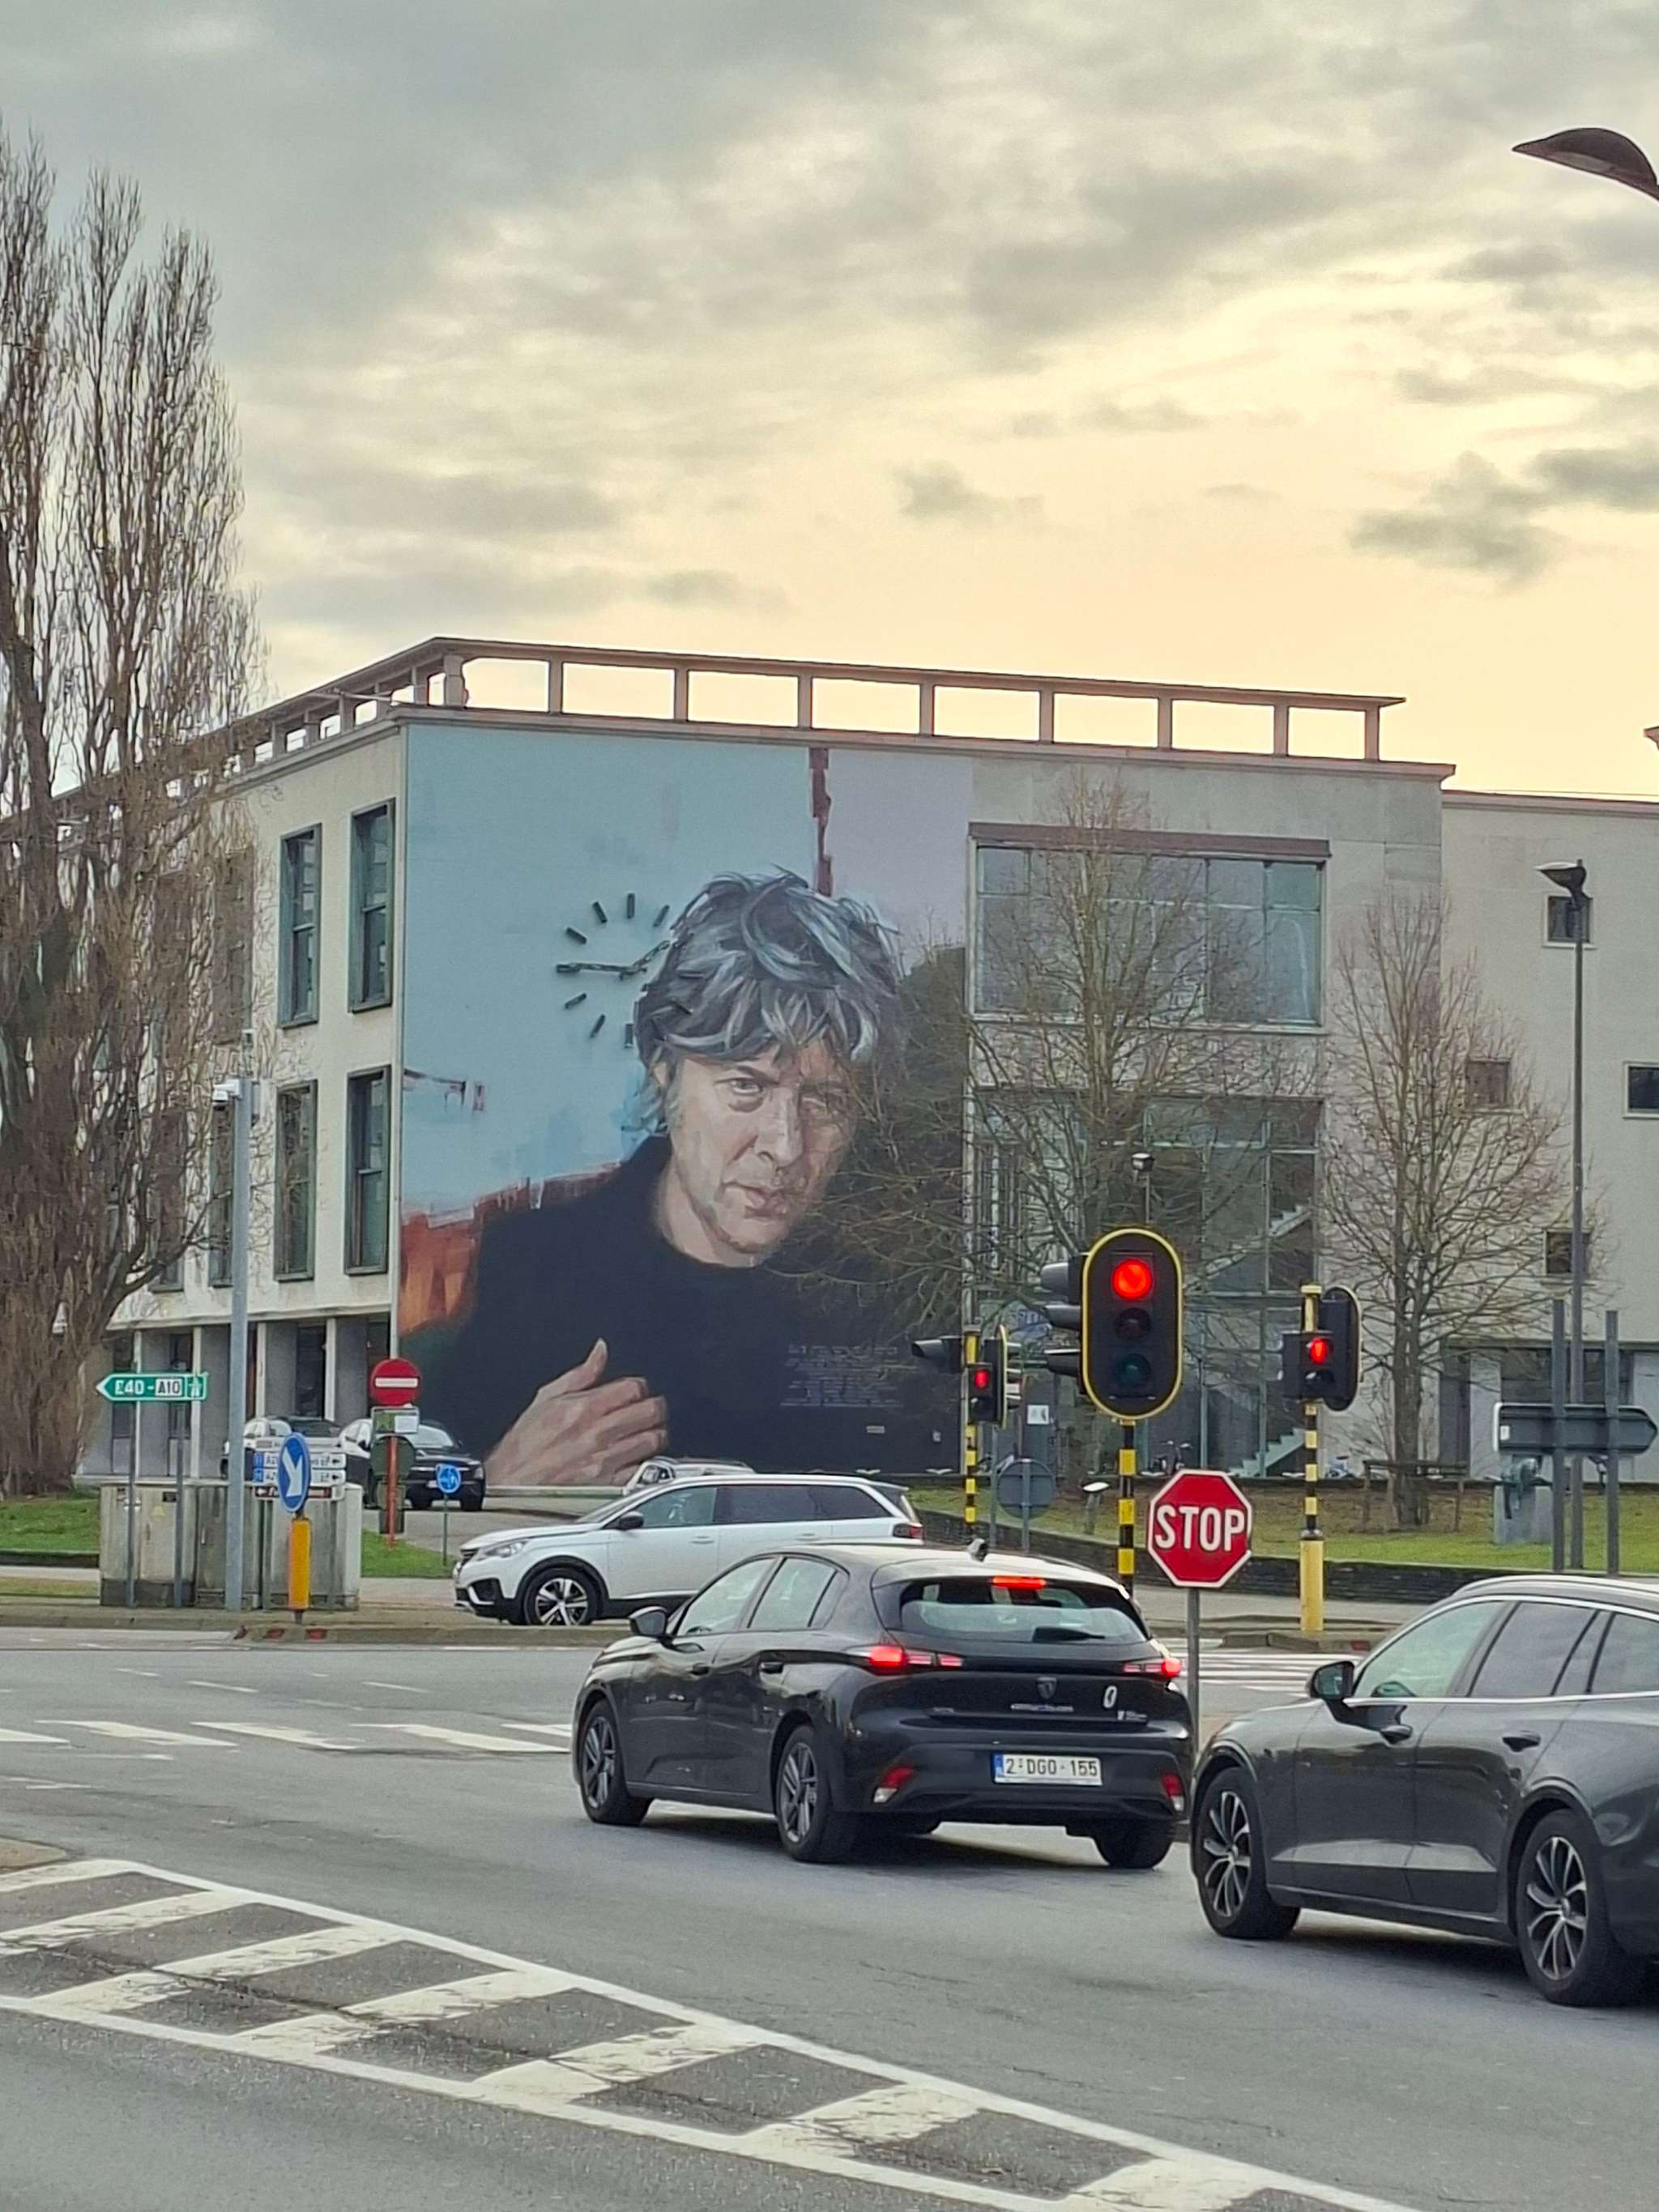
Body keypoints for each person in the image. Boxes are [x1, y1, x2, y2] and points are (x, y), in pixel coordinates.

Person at [424, 871, 932, 1481]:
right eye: (747, 1086)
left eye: (825, 1101)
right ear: (664, 1067)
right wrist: (503, 1480)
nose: (785, 1146)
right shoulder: (531, 1271)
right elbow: (426, 1509)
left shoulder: (882, 1300)